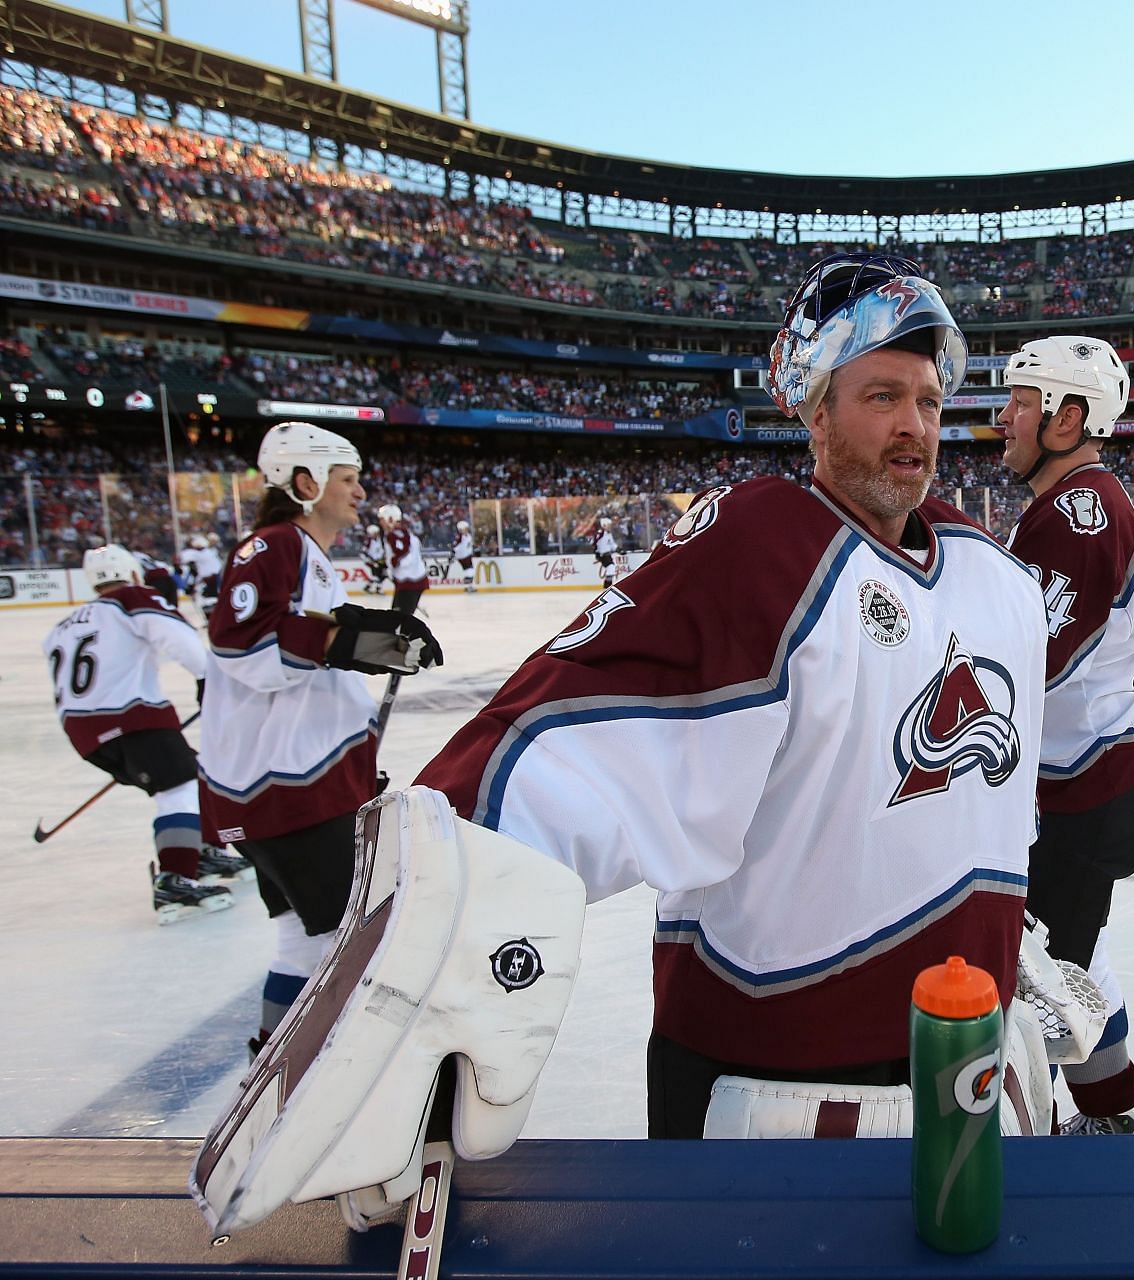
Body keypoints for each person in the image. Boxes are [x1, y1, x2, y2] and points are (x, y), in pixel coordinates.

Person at [405, 251, 1050, 1139]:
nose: (915, 427)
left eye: (929, 401)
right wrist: (419, 932)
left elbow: (1001, 805)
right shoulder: (760, 548)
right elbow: (565, 755)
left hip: (965, 1051)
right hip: (776, 1072)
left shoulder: (996, 577)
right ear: (814, 411)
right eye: (881, 397)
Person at [199, 422, 443, 1049]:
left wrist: (369, 642)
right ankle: (310, 1083)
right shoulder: (275, 544)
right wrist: (354, 640)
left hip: (279, 792)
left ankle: (272, 1072)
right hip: (285, 792)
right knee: (352, 938)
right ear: (305, 482)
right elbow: (243, 644)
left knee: (303, 939)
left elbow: (304, 651)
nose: (360, 492)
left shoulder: (307, 554)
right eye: (348, 479)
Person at [998, 334, 1134, 1135]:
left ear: (1068, 418)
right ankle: (1113, 1117)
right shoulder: (1076, 502)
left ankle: (1042, 1154)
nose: (1001, 419)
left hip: (1086, 798)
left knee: (1034, 987)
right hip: (1097, 786)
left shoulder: (1079, 514)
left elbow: (1020, 665)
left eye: (1019, 403)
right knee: (1070, 969)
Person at [43, 544, 244, 923]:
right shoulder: (133, 598)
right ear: (134, 573)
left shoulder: (63, 624)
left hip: (82, 733)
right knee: (179, 787)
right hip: (133, 718)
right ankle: (177, 876)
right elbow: (177, 637)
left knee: (193, 774)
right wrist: (207, 677)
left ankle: (205, 848)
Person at [379, 505, 430, 616]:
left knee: (399, 619)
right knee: (396, 616)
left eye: (382, 519)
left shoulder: (398, 536)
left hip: (411, 582)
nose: (380, 522)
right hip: (408, 582)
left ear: (390, 519)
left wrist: (393, 565)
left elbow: (406, 558)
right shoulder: (397, 534)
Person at [360, 522, 389, 596]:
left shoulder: (381, 540)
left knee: (384, 574)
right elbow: (363, 553)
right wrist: (371, 561)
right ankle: (377, 588)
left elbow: (384, 549)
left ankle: (369, 587)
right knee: (376, 576)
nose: (376, 534)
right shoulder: (368, 541)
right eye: (375, 533)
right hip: (373, 561)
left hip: (381, 560)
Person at [592, 515, 620, 588]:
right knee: (611, 568)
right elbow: (594, 542)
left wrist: (618, 549)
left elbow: (612, 544)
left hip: (607, 555)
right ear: (604, 525)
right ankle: (607, 586)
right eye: (608, 525)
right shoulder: (600, 533)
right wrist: (597, 552)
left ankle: (607, 586)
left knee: (611, 569)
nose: (610, 526)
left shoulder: (608, 533)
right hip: (603, 555)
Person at [452, 519, 477, 592]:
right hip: (463, 556)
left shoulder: (467, 535)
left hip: (467, 555)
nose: (466, 530)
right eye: (465, 529)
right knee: (470, 571)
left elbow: (468, 544)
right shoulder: (460, 537)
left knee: (469, 571)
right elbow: (456, 546)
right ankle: (468, 586)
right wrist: (454, 551)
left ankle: (469, 586)